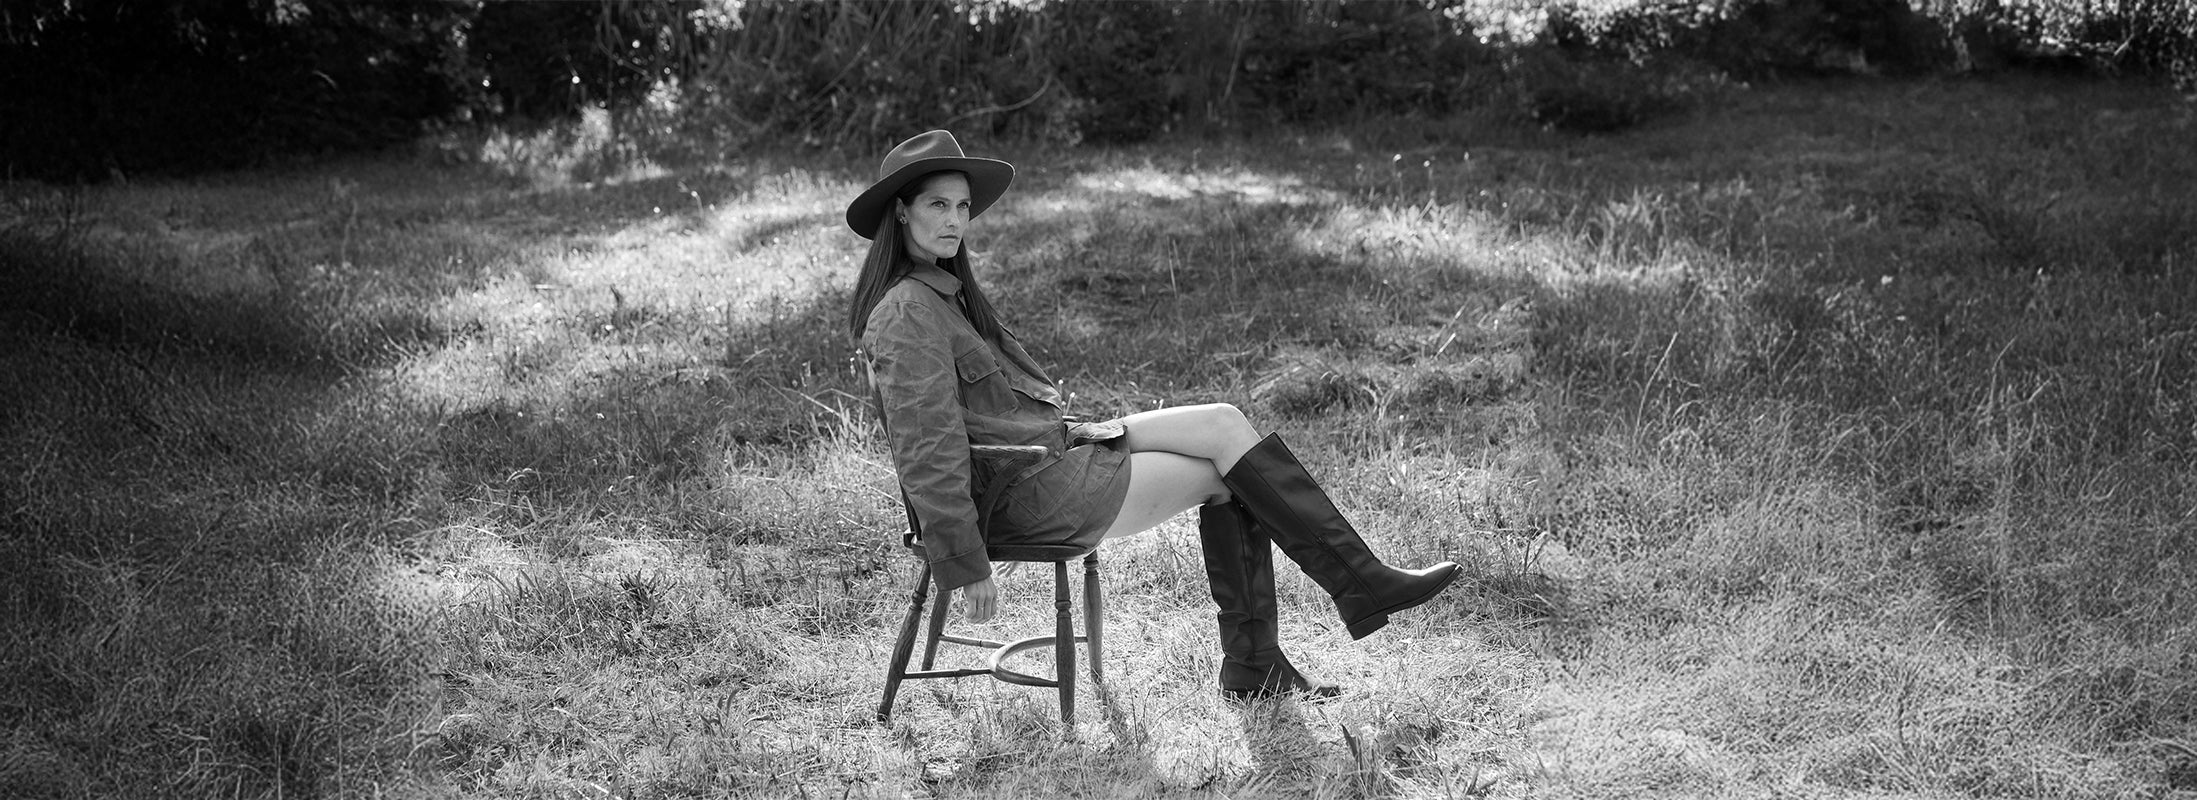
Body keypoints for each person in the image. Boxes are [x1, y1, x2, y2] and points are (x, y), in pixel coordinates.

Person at [848, 130, 1460, 700]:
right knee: (1231, 479)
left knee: (1224, 423)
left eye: (961, 206)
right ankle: (1259, 658)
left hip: (1052, 455)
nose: (955, 220)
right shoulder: (906, 312)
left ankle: (1357, 584)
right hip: (1022, 494)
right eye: (937, 205)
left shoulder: (942, 293)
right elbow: (926, 449)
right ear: (900, 212)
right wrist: (963, 561)